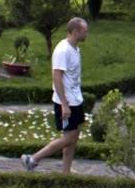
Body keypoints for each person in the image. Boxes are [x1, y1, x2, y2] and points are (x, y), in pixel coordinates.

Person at [20, 17, 88, 173]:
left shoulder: (75, 49)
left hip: (76, 100)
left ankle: (66, 172)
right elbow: (56, 77)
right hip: (66, 102)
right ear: (75, 31)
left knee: (74, 137)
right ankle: (33, 159)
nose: (87, 34)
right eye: (85, 31)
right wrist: (64, 104)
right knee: (69, 138)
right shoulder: (63, 50)